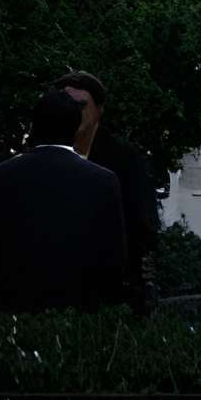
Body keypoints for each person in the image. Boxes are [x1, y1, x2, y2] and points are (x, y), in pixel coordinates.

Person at [0, 87, 128, 312]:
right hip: (80, 314)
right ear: (75, 127)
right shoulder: (103, 181)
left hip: (11, 310)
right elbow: (114, 260)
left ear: (35, 125)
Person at [58, 69, 160, 310]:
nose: (75, 114)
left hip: (110, 292)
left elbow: (142, 225)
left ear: (99, 110)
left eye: (82, 106)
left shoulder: (124, 159)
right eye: (68, 107)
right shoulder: (47, 154)